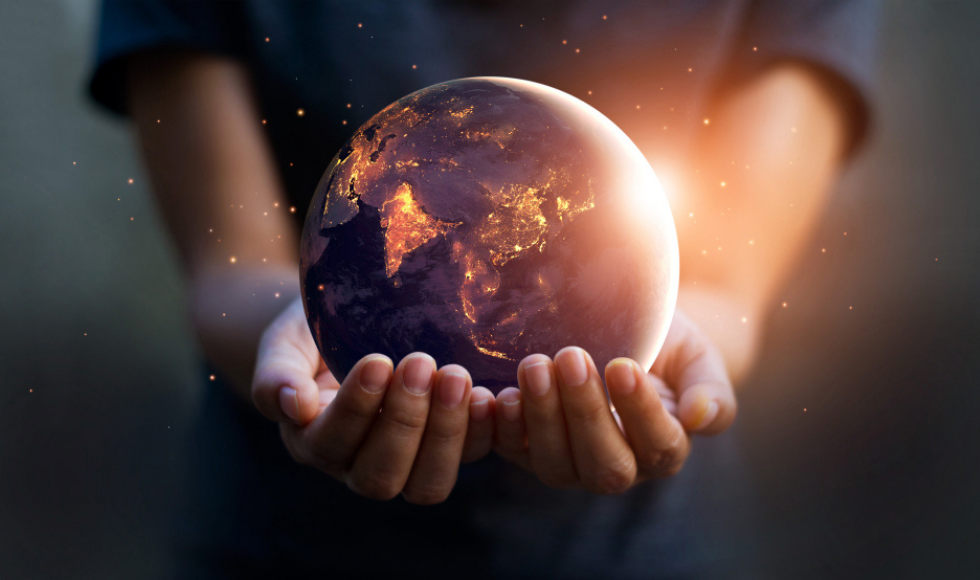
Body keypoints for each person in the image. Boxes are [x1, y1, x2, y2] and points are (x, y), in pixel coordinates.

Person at [89, 0, 877, 576]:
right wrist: (294, 332)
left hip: (641, 553)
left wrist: (687, 341)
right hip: (287, 543)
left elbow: (719, 282)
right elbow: (232, 270)